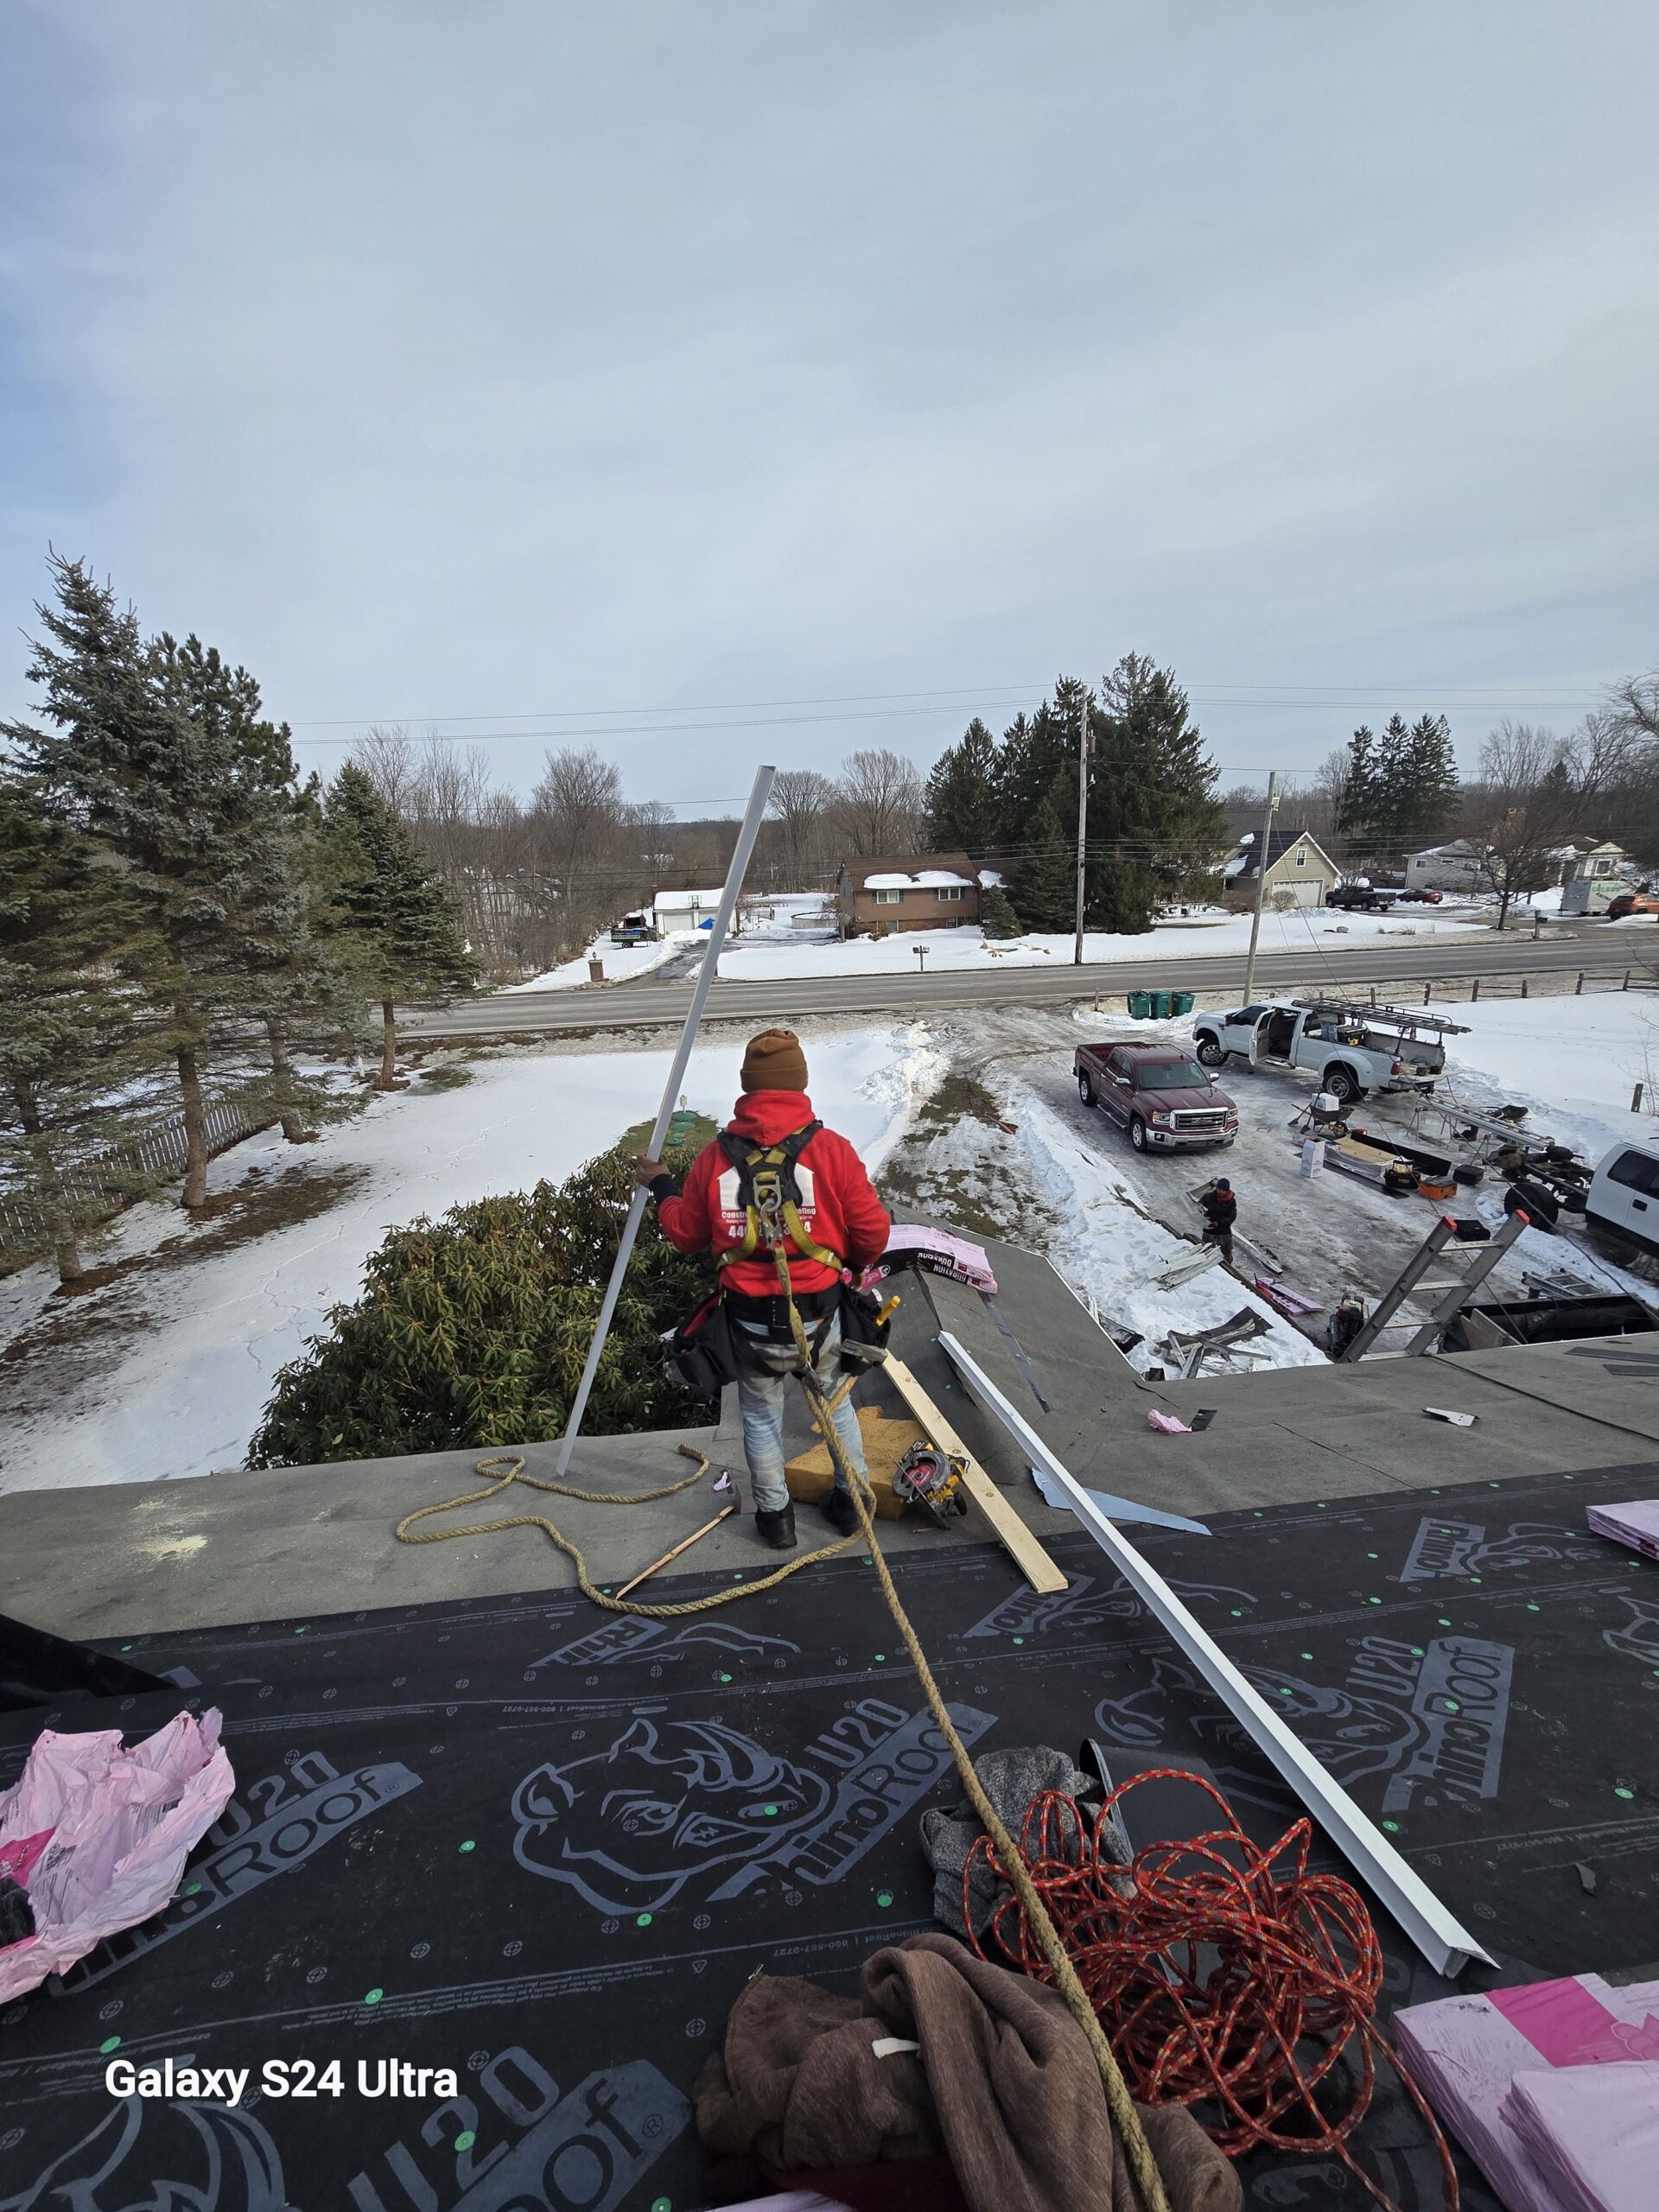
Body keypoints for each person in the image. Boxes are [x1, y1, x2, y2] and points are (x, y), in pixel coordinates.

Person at [636, 1028, 891, 1551]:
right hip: (820, 1317)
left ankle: (775, 1520)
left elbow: (686, 1234)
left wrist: (662, 1184)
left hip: (749, 1322)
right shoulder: (831, 1151)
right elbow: (872, 1234)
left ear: (748, 1088)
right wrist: (855, 1266)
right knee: (836, 1408)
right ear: (798, 1084)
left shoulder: (715, 1158)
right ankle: (849, 1507)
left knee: (760, 1417)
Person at [1198, 1175, 1236, 1266]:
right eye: (1219, 1189)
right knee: (1206, 1251)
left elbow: (1232, 1216)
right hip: (1209, 1229)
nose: (1221, 1191)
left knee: (1227, 1253)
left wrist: (1219, 1223)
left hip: (1224, 1232)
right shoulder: (1208, 1197)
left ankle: (1228, 1269)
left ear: (1227, 1191)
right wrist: (1200, 1213)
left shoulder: (1231, 1202)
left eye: (1223, 1190)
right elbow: (1199, 1206)